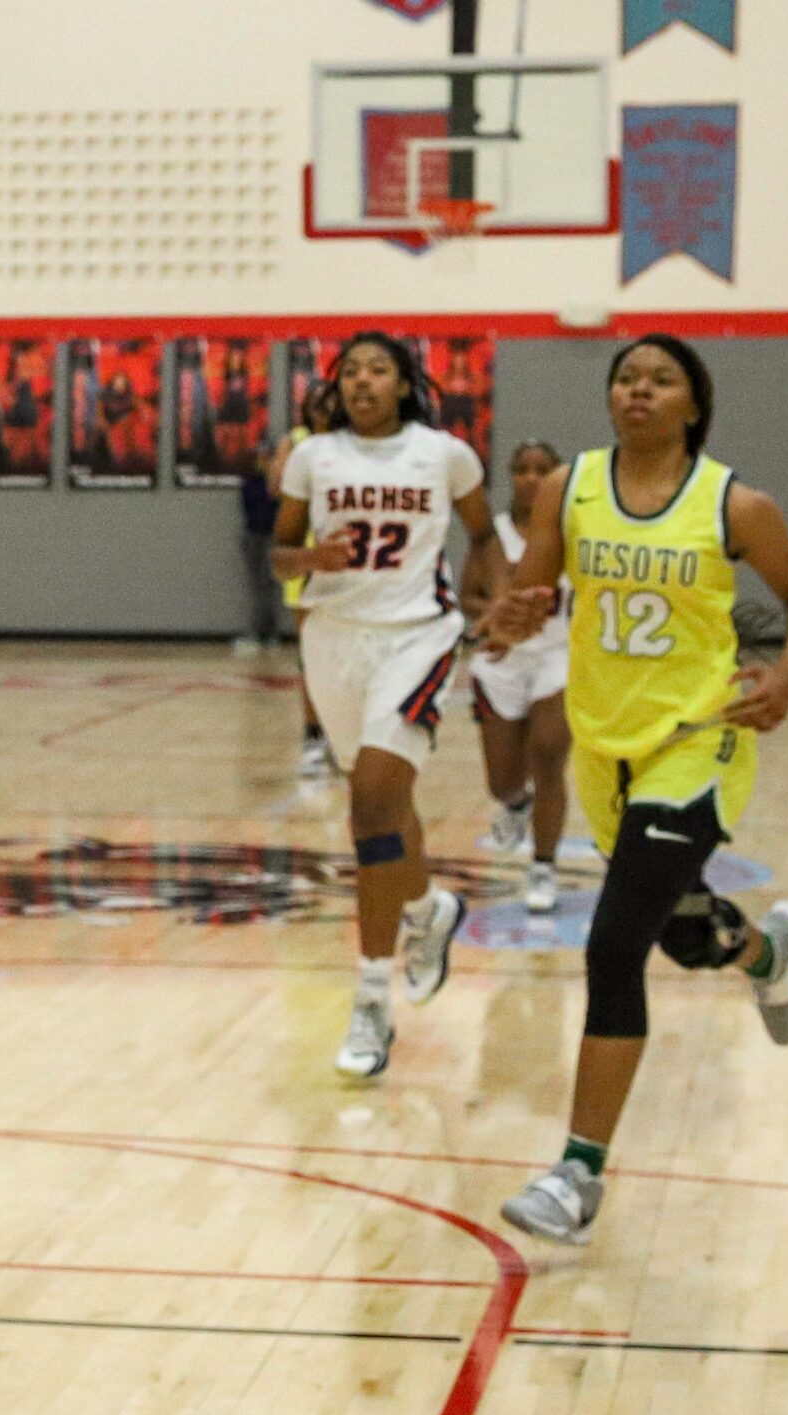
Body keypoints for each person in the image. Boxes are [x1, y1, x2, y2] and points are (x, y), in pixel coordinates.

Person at [484, 336, 788, 1244]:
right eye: (625, 378)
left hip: (696, 743)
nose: (638, 391)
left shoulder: (734, 504)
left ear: (691, 406)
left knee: (611, 947)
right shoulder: (570, 487)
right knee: (679, 931)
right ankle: (763, 953)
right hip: (606, 748)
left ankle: (576, 1176)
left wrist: (782, 683)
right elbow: (533, 587)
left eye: (659, 380)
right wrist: (513, 612)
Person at [272, 332, 502, 1078]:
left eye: (378, 370)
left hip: (415, 635)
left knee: (371, 798)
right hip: (334, 640)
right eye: (350, 372)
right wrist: (312, 560)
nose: (362, 381)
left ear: (405, 384)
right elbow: (277, 554)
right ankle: (426, 908)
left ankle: (371, 1000)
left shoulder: (443, 454)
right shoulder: (312, 456)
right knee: (383, 801)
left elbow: (482, 534)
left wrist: (483, 603)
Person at [461, 440, 574, 913]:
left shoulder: (575, 536)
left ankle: (543, 865)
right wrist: (494, 615)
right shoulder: (494, 537)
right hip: (502, 661)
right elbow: (467, 597)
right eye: (523, 469)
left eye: (541, 470)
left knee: (549, 757)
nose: (531, 478)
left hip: (557, 656)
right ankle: (514, 804)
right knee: (503, 781)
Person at [270, 380, 344, 780]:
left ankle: (344, 733)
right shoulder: (296, 442)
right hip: (305, 555)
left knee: (347, 652)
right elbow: (275, 488)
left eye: (330, 403)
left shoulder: (353, 445)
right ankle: (314, 736)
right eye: (316, 404)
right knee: (311, 656)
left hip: (346, 557)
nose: (323, 410)